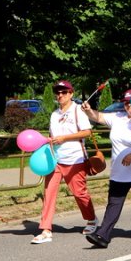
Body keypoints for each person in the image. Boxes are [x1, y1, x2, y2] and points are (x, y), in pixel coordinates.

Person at [82, 89, 131, 248]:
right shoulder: (118, 118)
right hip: (119, 171)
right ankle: (102, 235)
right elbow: (99, 117)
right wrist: (89, 110)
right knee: (114, 203)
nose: (128, 106)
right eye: (125, 103)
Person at [32, 80, 98, 244]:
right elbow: (53, 135)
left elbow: (86, 132)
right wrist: (49, 141)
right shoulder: (55, 114)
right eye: (58, 92)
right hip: (55, 160)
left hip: (75, 159)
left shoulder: (78, 111)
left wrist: (64, 138)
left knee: (79, 193)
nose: (60, 95)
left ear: (71, 93)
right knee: (49, 194)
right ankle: (46, 230)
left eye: (64, 92)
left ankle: (91, 219)